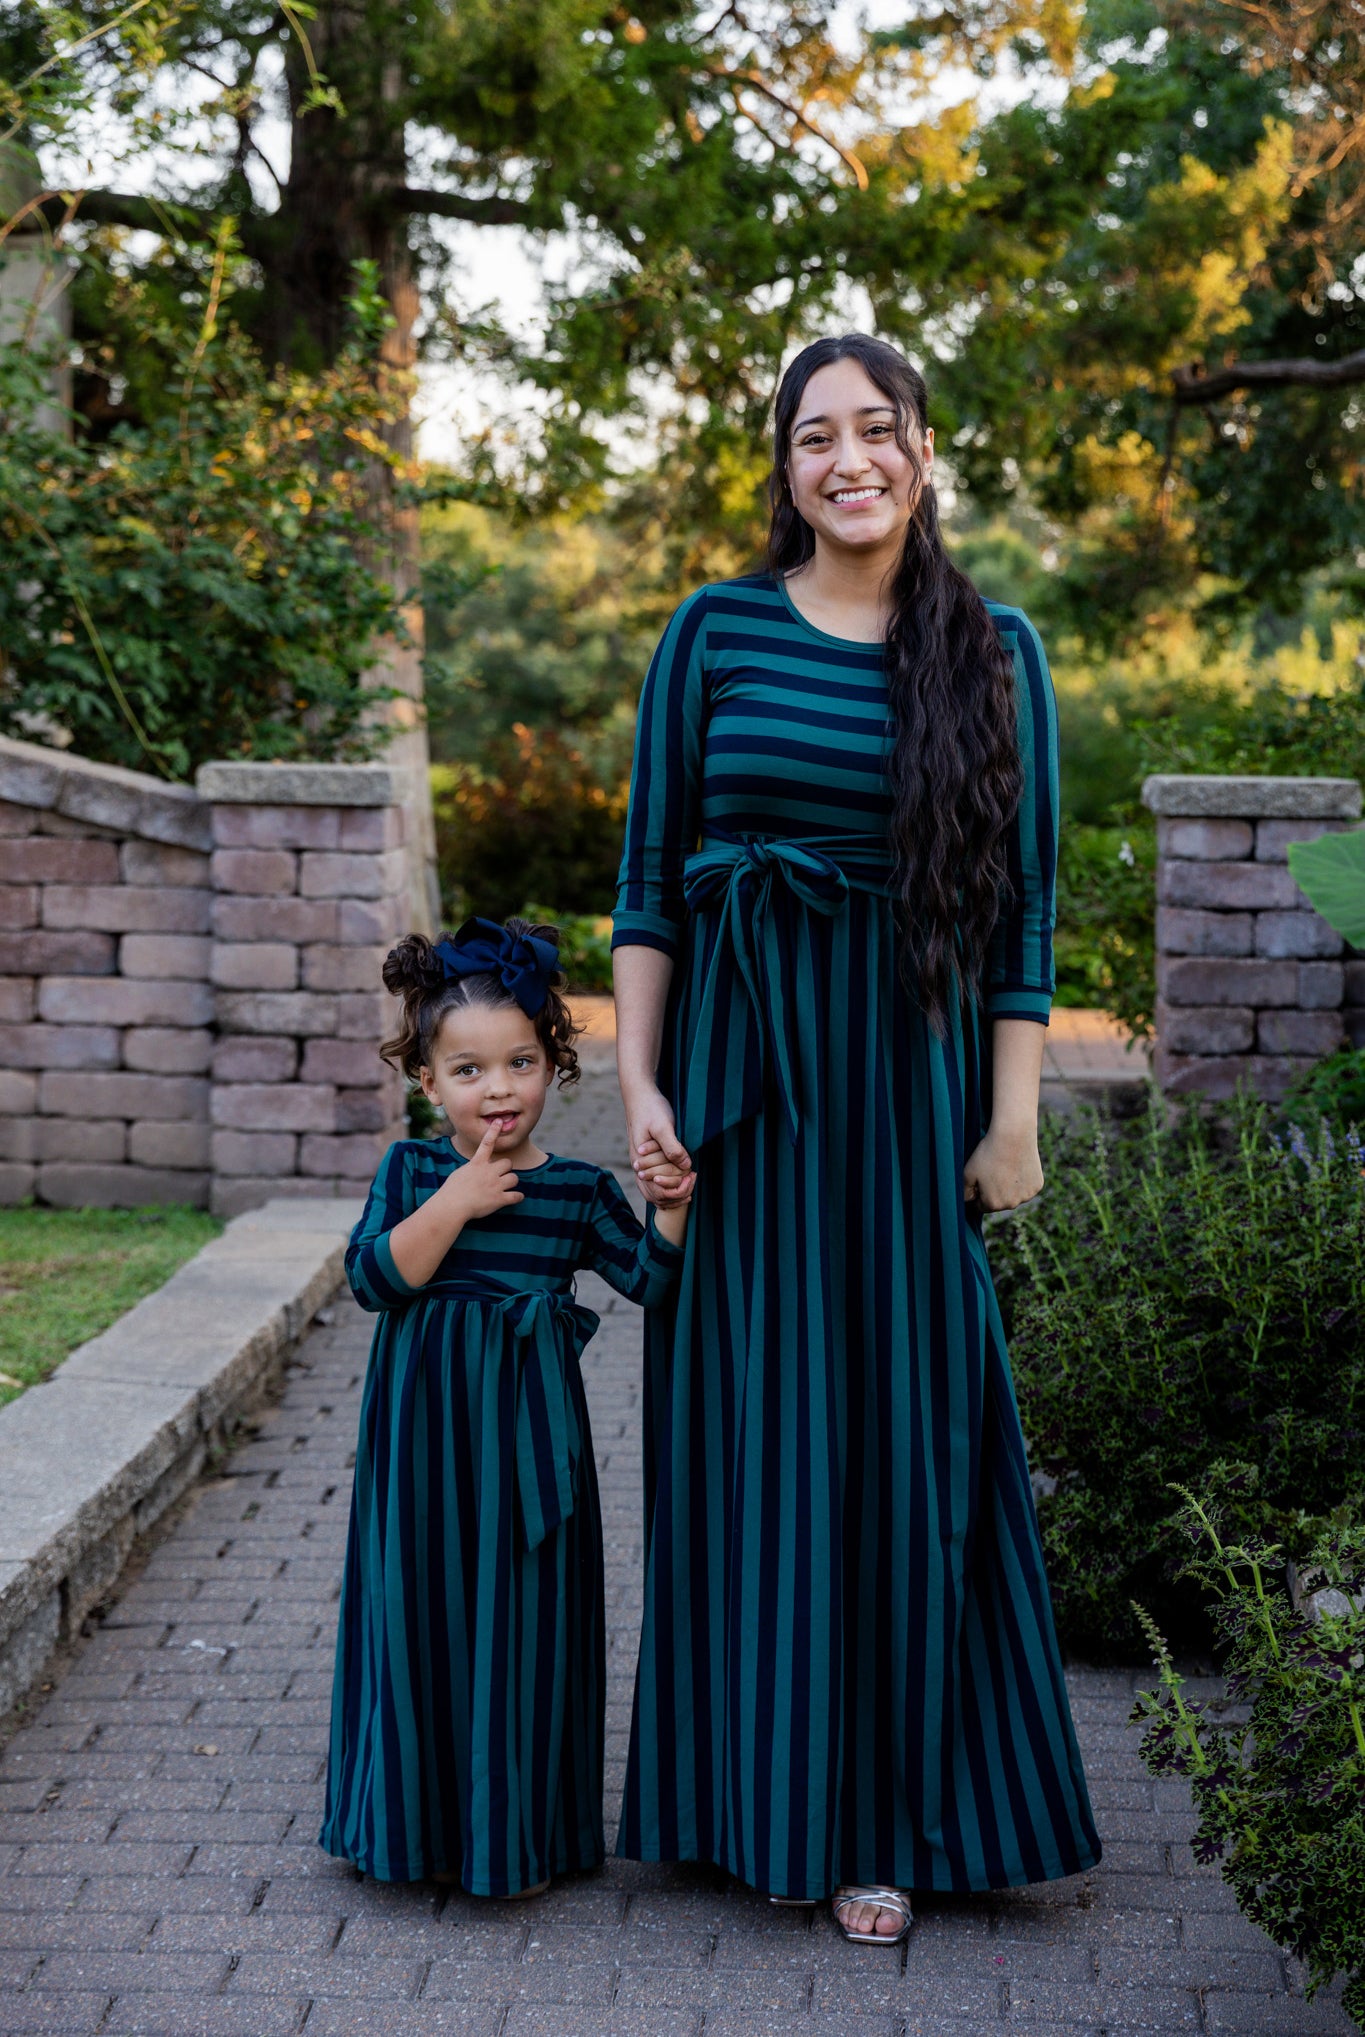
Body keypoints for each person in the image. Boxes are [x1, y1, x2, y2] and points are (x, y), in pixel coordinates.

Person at [611, 334, 1100, 1945]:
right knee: (751, 1443)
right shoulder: (712, 631)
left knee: (908, 1437)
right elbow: (649, 882)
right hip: (748, 1096)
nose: (846, 461)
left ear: (921, 452)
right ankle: (751, 1801)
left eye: (874, 431)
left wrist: (1013, 1112)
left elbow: (1025, 906)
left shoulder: (992, 649)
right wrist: (644, 1091)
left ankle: (894, 1812)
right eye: (814, 436)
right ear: (784, 467)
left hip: (908, 1093)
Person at [320, 916, 693, 1894]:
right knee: (421, 1611)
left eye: (521, 1063)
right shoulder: (411, 1173)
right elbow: (374, 1279)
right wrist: (457, 1203)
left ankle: (518, 1834)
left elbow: (650, 1282)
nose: (498, 1091)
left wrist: (672, 1205)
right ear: (428, 1080)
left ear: (553, 1064)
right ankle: (410, 1832)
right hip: (422, 1444)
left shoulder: (573, 1192)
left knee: (524, 1621)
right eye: (470, 1071)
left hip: (529, 1444)